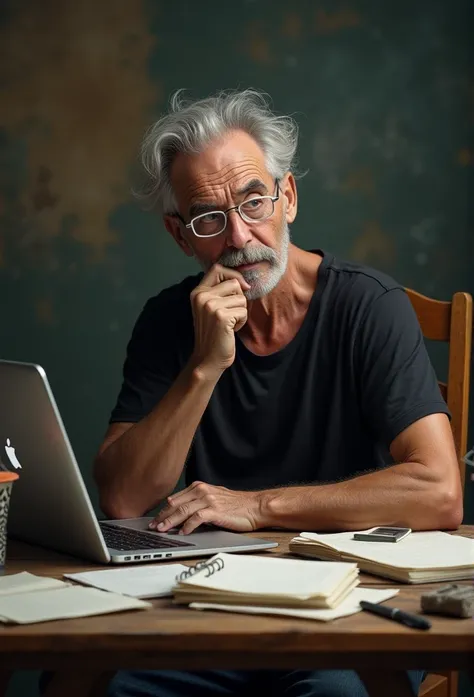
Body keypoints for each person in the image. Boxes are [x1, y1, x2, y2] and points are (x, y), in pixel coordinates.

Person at [94, 89, 462, 697]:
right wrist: (204, 367)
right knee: (104, 686)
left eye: (253, 201)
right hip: (202, 608)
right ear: (181, 235)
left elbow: (440, 491)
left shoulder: (369, 306)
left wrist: (255, 506)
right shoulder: (167, 322)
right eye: (208, 218)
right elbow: (124, 499)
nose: (239, 236)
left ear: (287, 197)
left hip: (346, 608)